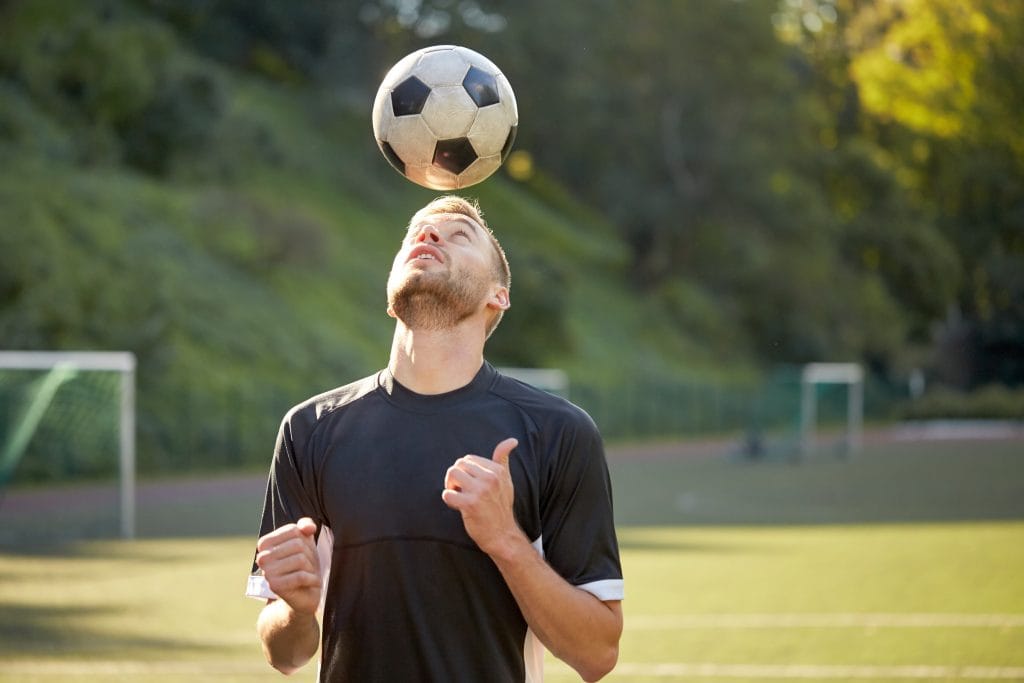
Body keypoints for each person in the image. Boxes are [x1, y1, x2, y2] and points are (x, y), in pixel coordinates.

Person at [246, 196, 624, 682]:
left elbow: (597, 656)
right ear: (390, 294)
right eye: (416, 233)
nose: (428, 236)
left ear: (498, 295)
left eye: (459, 235)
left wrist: (506, 541)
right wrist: (295, 611)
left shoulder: (559, 433)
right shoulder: (310, 428)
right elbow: (285, 655)